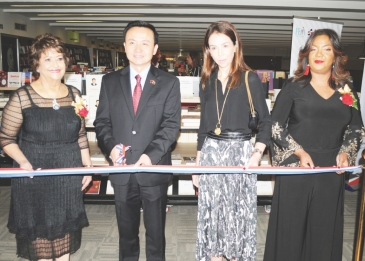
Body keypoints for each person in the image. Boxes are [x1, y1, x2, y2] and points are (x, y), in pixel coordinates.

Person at [263, 29, 363, 261]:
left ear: (335, 55)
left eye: (326, 48)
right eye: (314, 48)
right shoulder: (293, 86)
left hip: (331, 172)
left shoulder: (347, 89)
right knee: (290, 231)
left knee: (323, 232)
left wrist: (346, 152)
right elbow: (275, 124)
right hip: (297, 169)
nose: (319, 53)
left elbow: (356, 128)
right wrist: (298, 151)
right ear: (307, 53)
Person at [0, 33, 92, 261]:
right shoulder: (21, 97)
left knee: (64, 242)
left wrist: (87, 165)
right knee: (42, 243)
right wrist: (23, 162)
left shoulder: (74, 94)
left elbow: (80, 133)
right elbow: (5, 139)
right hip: (35, 174)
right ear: (36, 63)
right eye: (48, 59)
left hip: (67, 174)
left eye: (59, 58)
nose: (55, 64)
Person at [94, 20, 181, 260]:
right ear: (124, 46)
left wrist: (150, 155)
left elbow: (171, 125)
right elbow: (101, 123)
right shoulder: (109, 82)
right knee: (126, 234)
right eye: (132, 42)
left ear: (155, 49)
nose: (138, 48)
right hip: (122, 169)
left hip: (154, 169)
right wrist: (111, 147)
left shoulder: (169, 83)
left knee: (155, 234)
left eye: (145, 43)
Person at [192, 21, 271, 261]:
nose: (220, 53)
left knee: (236, 218)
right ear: (208, 50)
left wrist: (256, 155)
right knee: (213, 216)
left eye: (225, 46)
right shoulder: (207, 80)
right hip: (211, 154)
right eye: (213, 48)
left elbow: (266, 122)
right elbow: (204, 126)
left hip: (240, 154)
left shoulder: (250, 79)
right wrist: (197, 162)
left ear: (235, 45)